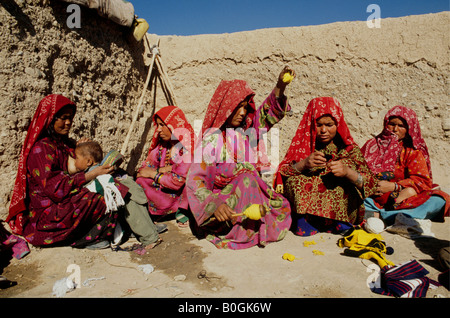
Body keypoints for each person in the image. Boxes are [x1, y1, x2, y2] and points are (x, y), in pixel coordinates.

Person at [185, 67, 293, 250]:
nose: (243, 113)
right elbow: (196, 180)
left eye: (245, 107)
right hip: (225, 204)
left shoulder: (246, 134)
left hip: (250, 199)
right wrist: (214, 204)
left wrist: (280, 86)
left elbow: (266, 115)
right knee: (246, 180)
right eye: (238, 107)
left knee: (282, 206)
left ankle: (251, 227)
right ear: (226, 108)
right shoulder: (213, 139)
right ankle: (240, 230)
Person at [6, 94, 120, 249]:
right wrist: (91, 174)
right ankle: (88, 238)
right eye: (63, 118)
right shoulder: (41, 149)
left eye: (70, 118)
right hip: (49, 212)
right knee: (100, 200)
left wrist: (82, 148)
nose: (68, 123)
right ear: (50, 118)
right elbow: (56, 189)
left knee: (113, 188)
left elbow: (77, 165)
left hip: (65, 199)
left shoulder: (63, 144)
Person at [274, 97, 377, 236]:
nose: (323, 130)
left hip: (341, 212)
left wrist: (348, 172)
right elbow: (283, 174)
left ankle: (339, 222)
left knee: (341, 179)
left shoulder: (349, 149)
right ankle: (305, 223)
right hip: (307, 214)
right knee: (296, 181)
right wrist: (304, 164)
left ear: (338, 124)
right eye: (318, 124)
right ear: (311, 124)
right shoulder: (303, 145)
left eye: (329, 125)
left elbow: (371, 184)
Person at [69, 141, 165, 251]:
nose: (74, 161)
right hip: (124, 205)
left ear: (89, 161)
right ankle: (145, 230)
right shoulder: (97, 172)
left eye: (76, 158)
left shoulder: (95, 176)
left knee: (131, 206)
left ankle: (150, 237)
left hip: (121, 206)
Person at [361, 105, 449, 222]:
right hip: (373, 197)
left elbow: (422, 180)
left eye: (401, 126)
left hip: (403, 198)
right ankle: (395, 218)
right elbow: (357, 169)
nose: (395, 129)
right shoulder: (372, 144)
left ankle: (380, 216)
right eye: (392, 124)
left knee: (439, 200)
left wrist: (394, 186)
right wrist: (371, 185)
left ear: (409, 129)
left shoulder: (413, 151)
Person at [136, 106, 195, 228]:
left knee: (191, 180)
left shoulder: (187, 149)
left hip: (181, 190)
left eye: (162, 125)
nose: (158, 130)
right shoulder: (163, 147)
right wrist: (161, 170)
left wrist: (154, 173)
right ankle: (160, 212)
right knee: (140, 180)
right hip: (166, 185)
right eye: (157, 125)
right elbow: (144, 169)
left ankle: (182, 210)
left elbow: (177, 181)